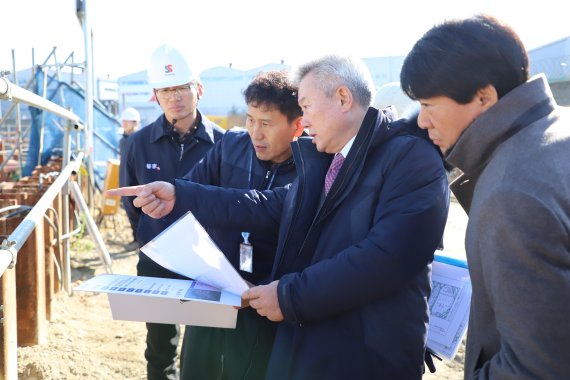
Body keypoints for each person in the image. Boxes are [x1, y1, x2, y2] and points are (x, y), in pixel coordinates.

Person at [109, 55, 449, 379]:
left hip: (370, 356)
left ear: (343, 99)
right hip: (320, 345)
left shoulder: (407, 159)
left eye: (307, 107)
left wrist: (288, 296)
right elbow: (268, 205)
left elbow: (383, 259)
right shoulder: (334, 162)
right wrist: (180, 194)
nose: (306, 121)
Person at [400, 14, 570, 379]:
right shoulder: (557, 133)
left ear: (484, 97)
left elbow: (536, 368)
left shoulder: (513, 194)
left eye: (429, 105)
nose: (421, 121)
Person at [178, 70, 303, 379]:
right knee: (196, 368)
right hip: (213, 288)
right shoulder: (230, 145)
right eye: (250, 119)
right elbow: (189, 200)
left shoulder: (311, 168)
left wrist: (266, 285)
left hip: (265, 303)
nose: (254, 133)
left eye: (266, 123)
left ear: (297, 125)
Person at [119, 44, 225, 380]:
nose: (174, 97)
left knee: (206, 344)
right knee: (159, 346)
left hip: (208, 261)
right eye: (166, 90)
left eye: (181, 88)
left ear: (199, 90)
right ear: (155, 96)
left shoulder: (224, 143)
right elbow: (129, 202)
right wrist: (151, 237)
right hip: (156, 257)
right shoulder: (137, 144)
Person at [118, 106, 142, 246]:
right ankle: (136, 239)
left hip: (139, 179)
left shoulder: (140, 139)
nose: (124, 124)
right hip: (127, 179)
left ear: (135, 123)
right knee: (130, 209)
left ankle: (142, 240)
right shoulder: (123, 140)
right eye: (123, 121)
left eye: (127, 121)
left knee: (142, 210)